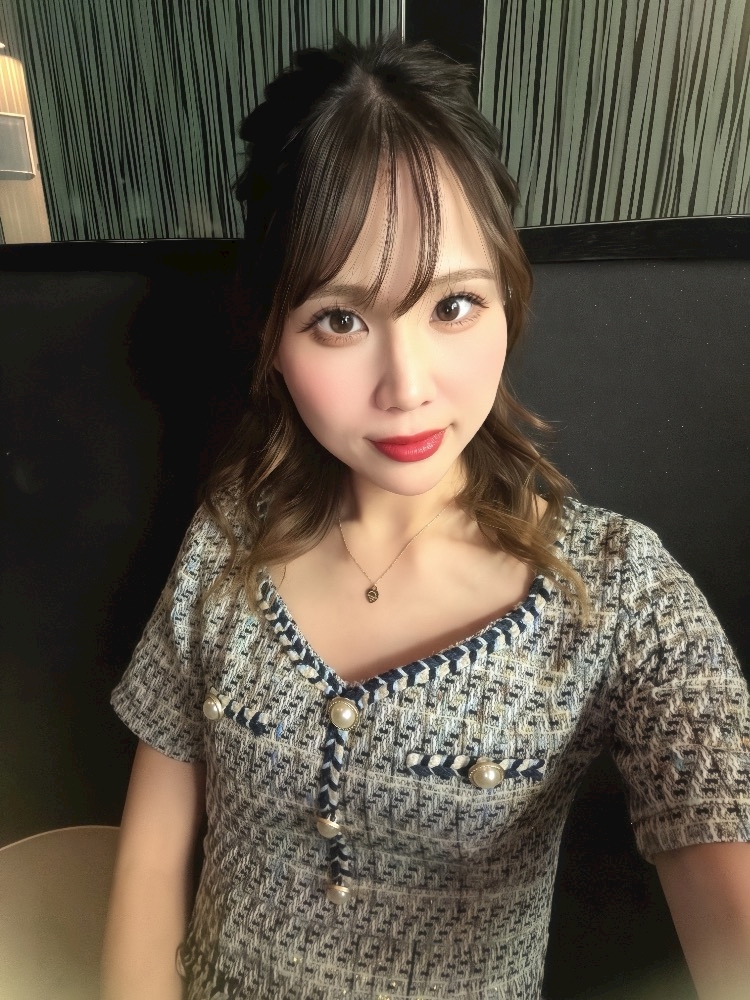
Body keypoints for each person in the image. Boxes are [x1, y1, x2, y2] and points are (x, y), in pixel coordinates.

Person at [100, 34, 750, 1000]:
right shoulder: (228, 534)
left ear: (508, 299)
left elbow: (721, 849)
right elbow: (151, 863)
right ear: (273, 335)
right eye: (340, 320)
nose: (407, 389)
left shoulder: (616, 591)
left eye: (453, 306)